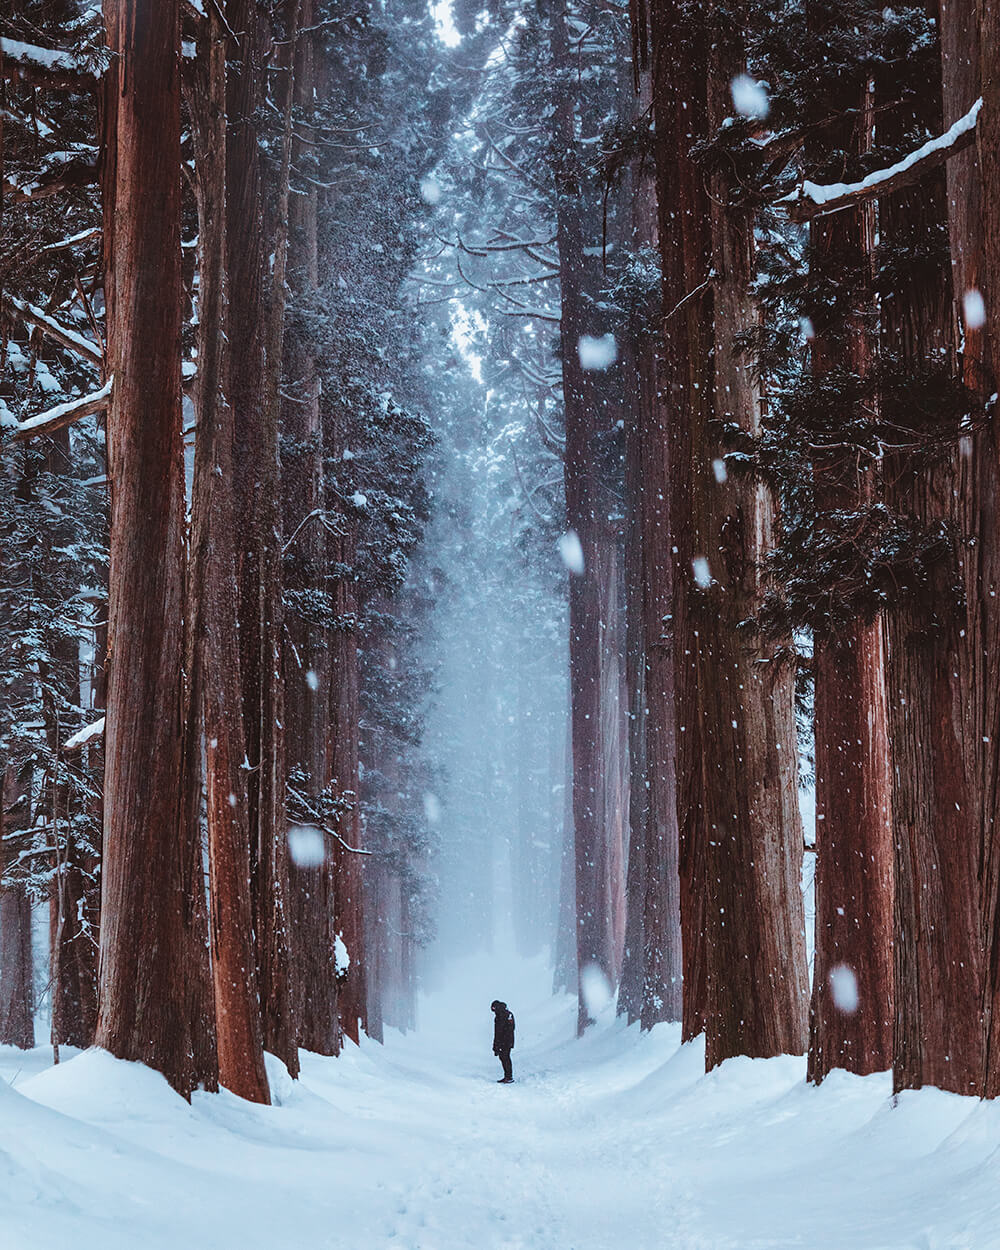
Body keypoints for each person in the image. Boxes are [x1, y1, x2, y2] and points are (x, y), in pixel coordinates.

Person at [491, 999, 515, 1083]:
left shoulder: (500, 1015)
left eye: (493, 1010)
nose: (493, 1012)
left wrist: (496, 1045)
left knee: (505, 1058)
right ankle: (508, 1076)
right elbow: (512, 1028)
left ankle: (508, 1077)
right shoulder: (509, 1013)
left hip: (504, 1041)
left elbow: (498, 1032)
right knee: (505, 1057)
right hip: (509, 1040)